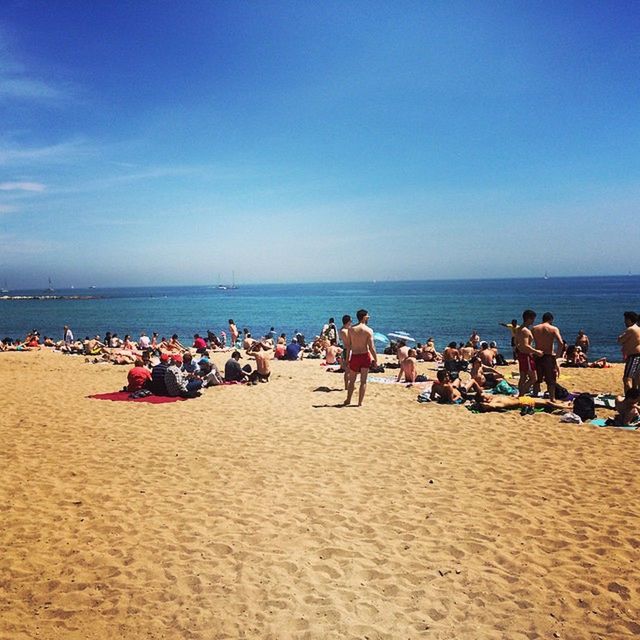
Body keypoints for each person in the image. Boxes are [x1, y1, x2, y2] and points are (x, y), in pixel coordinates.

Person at [344, 309, 377, 406]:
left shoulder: (351, 329)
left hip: (354, 355)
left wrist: (347, 359)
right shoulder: (368, 330)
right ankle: (360, 402)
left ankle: (348, 400)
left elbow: (349, 346)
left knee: (352, 380)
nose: (369, 317)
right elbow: (371, 347)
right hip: (364, 355)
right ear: (363, 317)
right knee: (363, 381)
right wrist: (375, 359)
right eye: (367, 316)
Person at [531, 312, 564, 401]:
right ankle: (552, 398)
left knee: (537, 378)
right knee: (551, 379)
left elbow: (529, 341)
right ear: (551, 320)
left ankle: (534, 395)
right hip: (548, 356)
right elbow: (561, 343)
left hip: (537, 355)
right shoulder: (553, 329)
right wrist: (557, 356)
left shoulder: (534, 328)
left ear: (542, 319)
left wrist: (532, 352)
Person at [515, 310, 543, 396]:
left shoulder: (518, 329)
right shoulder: (525, 331)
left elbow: (517, 343)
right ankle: (521, 394)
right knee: (533, 378)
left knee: (523, 377)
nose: (533, 321)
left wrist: (520, 349)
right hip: (526, 356)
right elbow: (525, 345)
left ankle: (521, 395)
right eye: (533, 319)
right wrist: (536, 351)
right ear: (528, 319)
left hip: (521, 355)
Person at [617, 311, 640, 392]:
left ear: (629, 320)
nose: (624, 322)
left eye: (626, 320)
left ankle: (629, 400)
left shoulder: (631, 329)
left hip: (634, 356)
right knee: (636, 379)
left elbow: (620, 340)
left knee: (627, 379)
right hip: (637, 356)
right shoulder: (638, 329)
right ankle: (636, 398)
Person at [338, 315, 352, 389]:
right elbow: (348, 344)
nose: (351, 323)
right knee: (347, 369)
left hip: (347, 349)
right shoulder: (344, 331)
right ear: (348, 321)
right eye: (351, 321)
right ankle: (347, 386)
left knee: (349, 369)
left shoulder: (344, 329)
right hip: (347, 350)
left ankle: (348, 385)